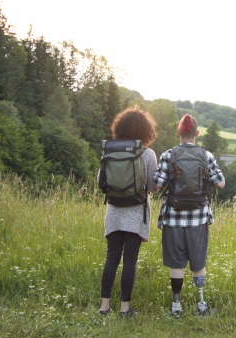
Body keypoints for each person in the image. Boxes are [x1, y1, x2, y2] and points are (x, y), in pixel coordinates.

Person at [153, 114, 225, 317]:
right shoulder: (206, 155)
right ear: (197, 134)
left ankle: (176, 307)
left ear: (179, 132)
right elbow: (220, 183)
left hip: (173, 217)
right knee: (198, 260)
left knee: (176, 262)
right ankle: (201, 306)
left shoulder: (168, 155)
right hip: (199, 217)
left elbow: (156, 186)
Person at [98, 106, 158, 317]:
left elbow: (101, 182)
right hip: (135, 212)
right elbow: (152, 186)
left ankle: (104, 307)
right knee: (130, 259)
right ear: (145, 130)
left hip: (114, 210)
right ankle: (125, 308)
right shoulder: (148, 153)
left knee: (111, 257)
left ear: (119, 127)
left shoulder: (109, 150)